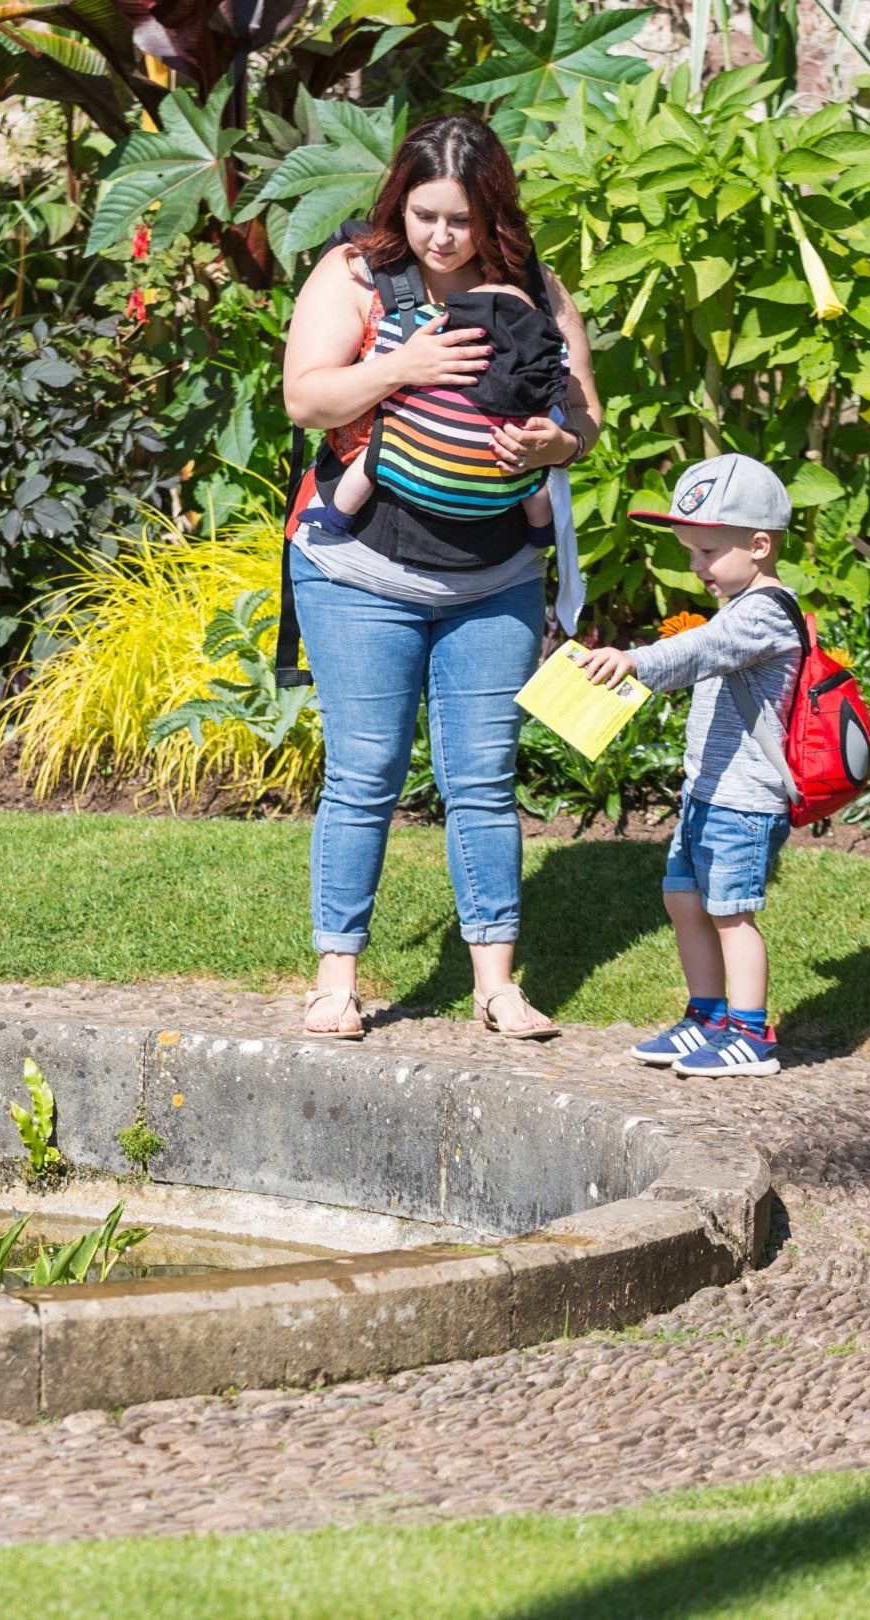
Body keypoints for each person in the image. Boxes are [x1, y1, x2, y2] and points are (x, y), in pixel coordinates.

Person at [280, 115, 603, 1042]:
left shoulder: (536, 288)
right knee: (366, 771)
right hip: (360, 567)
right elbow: (306, 397)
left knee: (483, 779)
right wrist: (404, 365)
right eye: (425, 215)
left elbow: (584, 417)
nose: (441, 237)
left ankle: (496, 984)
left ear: (491, 211)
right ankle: (336, 977)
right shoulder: (358, 276)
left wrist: (558, 440)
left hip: (493, 572)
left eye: (460, 219)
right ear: (400, 203)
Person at [571, 453, 807, 1077]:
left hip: (745, 798)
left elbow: (702, 649)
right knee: (684, 900)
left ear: (759, 545)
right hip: (708, 791)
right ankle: (707, 1016)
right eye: (689, 551)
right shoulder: (737, 604)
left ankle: (751, 1033)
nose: (695, 566)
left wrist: (637, 661)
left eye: (706, 552)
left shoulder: (765, 610)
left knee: (731, 911)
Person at [306, 281, 565, 540]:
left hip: (409, 477)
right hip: (500, 490)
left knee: (371, 461)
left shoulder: (438, 336)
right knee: (535, 485)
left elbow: (382, 351)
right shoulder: (538, 359)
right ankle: (541, 533)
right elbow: (564, 377)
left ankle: (337, 517)